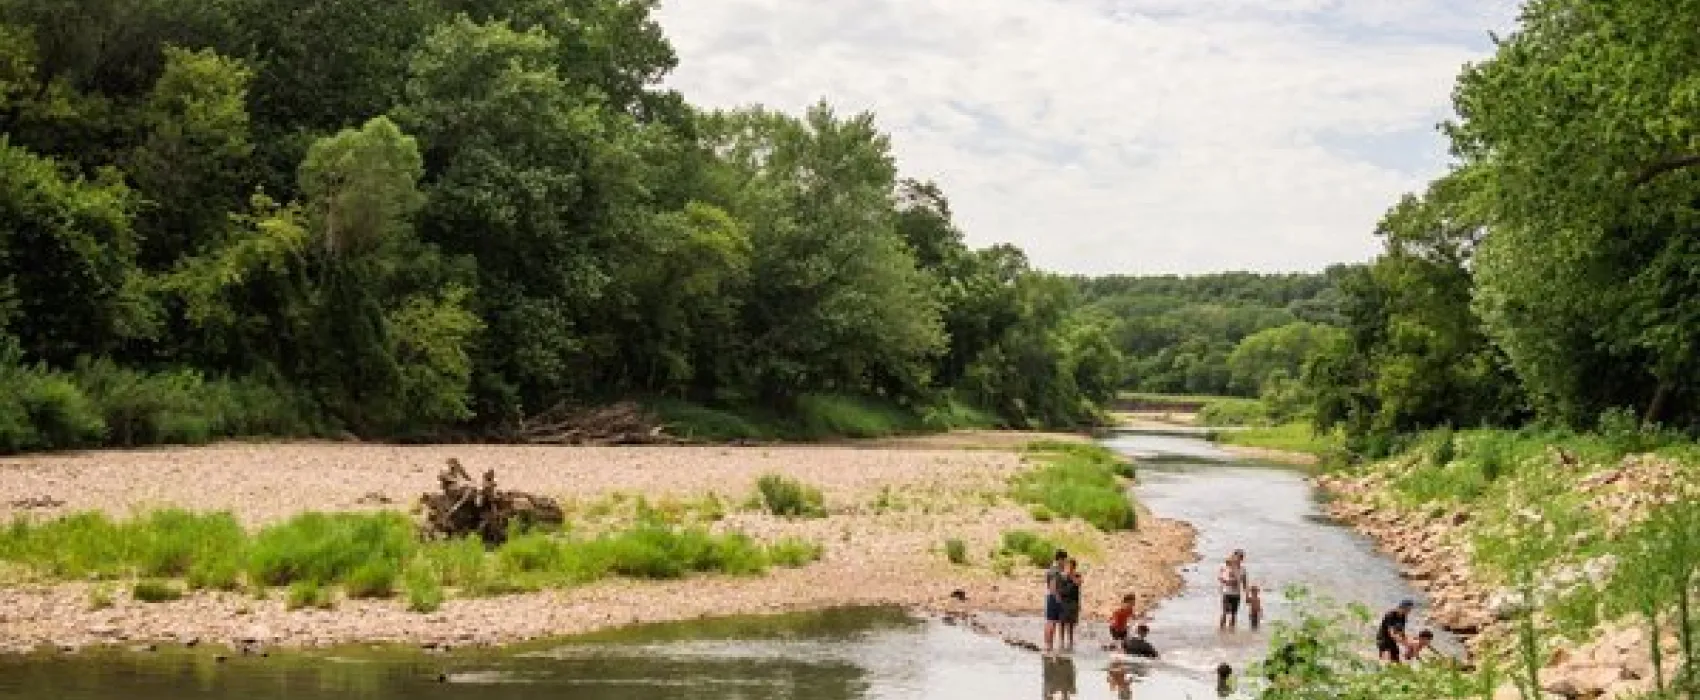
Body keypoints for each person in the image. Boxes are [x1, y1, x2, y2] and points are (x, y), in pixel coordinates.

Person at [1043, 549, 1069, 653]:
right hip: (1054, 597)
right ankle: (1049, 645)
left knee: (1050, 621)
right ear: (1060, 559)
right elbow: (1053, 585)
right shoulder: (1055, 570)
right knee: (1052, 622)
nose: (1065, 562)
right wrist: (1058, 597)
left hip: (1051, 596)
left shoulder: (1053, 569)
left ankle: (1048, 644)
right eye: (1064, 560)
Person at [1377, 599, 1415, 664]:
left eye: (1410, 610)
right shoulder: (1390, 615)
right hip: (1383, 638)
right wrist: (1403, 642)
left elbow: (1402, 631)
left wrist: (1406, 641)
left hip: (1392, 640)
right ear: (1402, 607)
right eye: (1408, 610)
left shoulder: (1403, 616)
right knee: (1385, 660)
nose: (1409, 612)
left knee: (1397, 661)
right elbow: (1391, 633)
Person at [1218, 550, 1248, 630]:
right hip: (1227, 593)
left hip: (1236, 594)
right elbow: (1220, 578)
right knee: (1224, 613)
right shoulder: (1225, 567)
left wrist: (1247, 596)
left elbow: (1244, 584)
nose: (1240, 559)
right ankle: (1221, 630)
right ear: (1234, 557)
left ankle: (1232, 633)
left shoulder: (1243, 570)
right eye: (1239, 556)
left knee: (1234, 615)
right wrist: (1228, 582)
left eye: (1241, 557)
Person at [1057, 558, 1083, 651]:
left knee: (1071, 623)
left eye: (1071, 566)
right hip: (1064, 601)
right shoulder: (1062, 576)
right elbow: (1058, 589)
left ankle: (1070, 642)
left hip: (1073, 602)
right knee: (1062, 622)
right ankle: (1061, 642)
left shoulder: (1077, 575)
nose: (1069, 567)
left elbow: (1079, 583)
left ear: (1074, 567)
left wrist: (1071, 576)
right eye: (1068, 565)